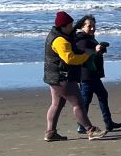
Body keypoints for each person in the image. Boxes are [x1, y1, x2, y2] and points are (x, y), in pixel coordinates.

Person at [43, 11, 106, 141]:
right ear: (63, 26)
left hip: (53, 76)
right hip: (62, 77)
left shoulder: (58, 35)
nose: (72, 27)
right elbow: (70, 59)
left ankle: (50, 133)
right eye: (70, 25)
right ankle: (90, 130)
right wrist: (86, 55)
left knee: (56, 104)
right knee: (78, 104)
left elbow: (73, 45)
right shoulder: (60, 40)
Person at [72, 15, 121, 135]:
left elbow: (94, 54)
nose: (92, 28)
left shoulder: (89, 37)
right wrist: (96, 50)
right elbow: (85, 56)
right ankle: (82, 125)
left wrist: (100, 50)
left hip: (93, 73)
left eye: (93, 26)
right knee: (86, 100)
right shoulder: (81, 39)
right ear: (82, 26)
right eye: (89, 26)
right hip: (86, 75)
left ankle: (108, 122)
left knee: (100, 96)